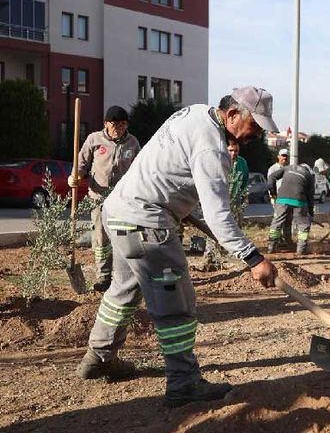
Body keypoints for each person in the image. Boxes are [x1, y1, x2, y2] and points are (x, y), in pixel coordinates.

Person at [75, 86, 280, 408]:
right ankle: (184, 382)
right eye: (254, 126)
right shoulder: (212, 149)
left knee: (122, 292)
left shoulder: (195, 112)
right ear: (232, 115)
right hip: (147, 223)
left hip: (119, 211)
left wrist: (181, 210)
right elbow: (219, 215)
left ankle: (98, 358)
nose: (255, 135)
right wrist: (254, 258)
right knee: (177, 305)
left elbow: (169, 173)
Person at [69, 106, 141, 292]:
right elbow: (82, 163)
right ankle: (103, 277)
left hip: (122, 200)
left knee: (122, 239)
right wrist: (75, 176)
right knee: (101, 239)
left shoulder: (132, 143)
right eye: (115, 123)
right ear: (106, 124)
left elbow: (139, 170)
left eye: (123, 124)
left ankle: (123, 276)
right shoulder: (94, 139)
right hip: (98, 198)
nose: (119, 127)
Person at [267, 158, 315, 255]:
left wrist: (273, 193)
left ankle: (272, 247)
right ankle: (301, 249)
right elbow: (310, 196)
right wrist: (310, 212)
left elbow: (271, 177)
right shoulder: (309, 175)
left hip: (282, 200)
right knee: (303, 225)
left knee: (277, 223)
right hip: (299, 201)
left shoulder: (288, 168)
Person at [226, 137, 249, 207]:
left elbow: (245, 180)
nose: (233, 153)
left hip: (236, 198)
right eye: (230, 150)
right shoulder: (221, 160)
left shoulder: (242, 162)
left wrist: (245, 196)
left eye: (236, 151)